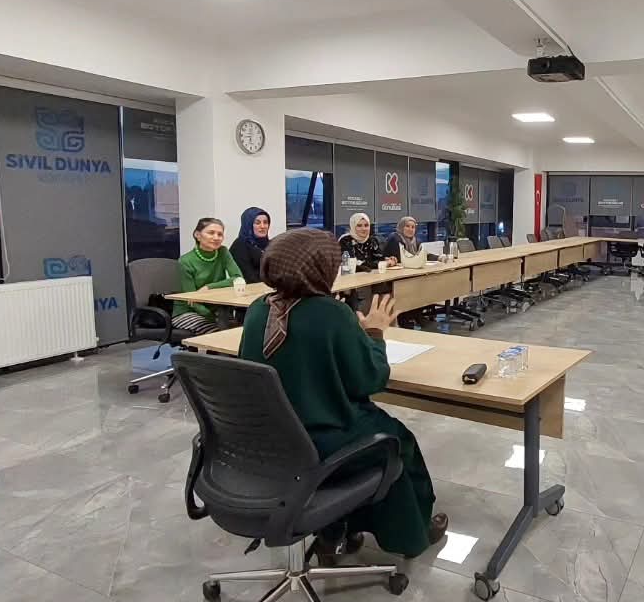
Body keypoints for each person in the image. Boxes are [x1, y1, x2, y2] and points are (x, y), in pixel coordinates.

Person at [238, 228, 446, 558]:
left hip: (270, 443)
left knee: (378, 439)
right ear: (320, 269)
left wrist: (350, 336)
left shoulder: (258, 310)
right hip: (324, 439)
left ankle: (334, 532)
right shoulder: (332, 314)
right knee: (396, 441)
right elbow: (371, 379)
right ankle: (412, 535)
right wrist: (374, 332)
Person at [172, 217, 243, 333]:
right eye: (211, 233)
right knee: (219, 334)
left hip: (217, 310)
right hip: (188, 312)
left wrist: (208, 287)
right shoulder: (185, 261)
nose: (216, 237)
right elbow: (191, 299)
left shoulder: (223, 252)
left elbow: (238, 278)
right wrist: (212, 317)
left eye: (220, 234)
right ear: (197, 235)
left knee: (240, 331)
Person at [230, 206, 272, 284]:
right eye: (257, 223)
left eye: (265, 222)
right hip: (251, 288)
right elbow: (248, 276)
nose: (262, 226)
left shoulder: (270, 244)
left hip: (272, 287)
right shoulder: (240, 245)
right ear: (248, 225)